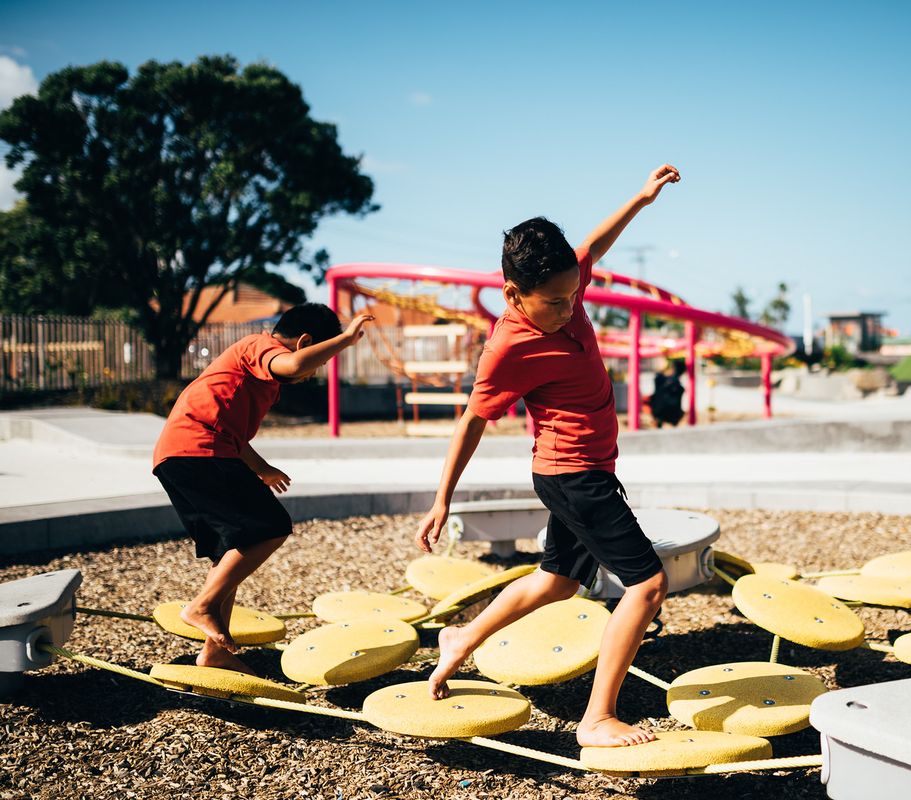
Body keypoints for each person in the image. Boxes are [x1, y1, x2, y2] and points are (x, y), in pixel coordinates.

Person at [415, 163, 681, 748]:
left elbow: (592, 246)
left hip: (576, 473)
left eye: (573, 296)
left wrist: (639, 198)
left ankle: (462, 638)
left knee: (557, 581)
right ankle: (597, 719)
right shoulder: (508, 347)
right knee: (647, 586)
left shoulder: (565, 280)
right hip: (574, 475)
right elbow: (471, 422)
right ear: (514, 294)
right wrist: (442, 500)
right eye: (556, 303)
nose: (569, 309)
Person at [152, 303, 373, 675]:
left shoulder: (260, 380)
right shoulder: (258, 345)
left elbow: (232, 432)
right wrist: (345, 339)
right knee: (270, 527)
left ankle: (215, 651)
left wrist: (261, 469)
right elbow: (293, 365)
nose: (313, 373)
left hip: (188, 453)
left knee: (229, 554)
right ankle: (201, 606)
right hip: (197, 451)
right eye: (318, 362)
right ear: (304, 342)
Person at [646, 360, 686, 428]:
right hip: (667, 410)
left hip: (665, 409)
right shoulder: (670, 381)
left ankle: (659, 422)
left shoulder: (671, 381)